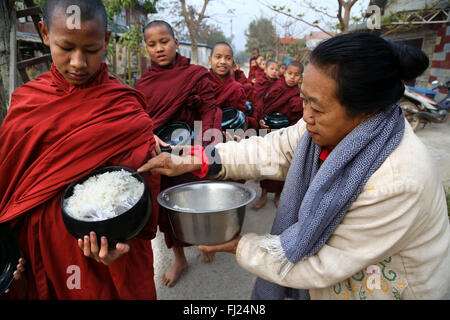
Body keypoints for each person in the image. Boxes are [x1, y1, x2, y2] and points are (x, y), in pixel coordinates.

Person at [138, 33, 450, 300]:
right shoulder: (323, 128)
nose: (306, 116)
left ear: (367, 111)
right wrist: (195, 159)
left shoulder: (397, 181)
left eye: (317, 107)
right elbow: (271, 147)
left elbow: (321, 264)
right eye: (304, 101)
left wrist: (240, 246)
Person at [0, 0, 161, 299]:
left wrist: (123, 238)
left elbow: (141, 183)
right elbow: (9, 185)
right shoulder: (26, 103)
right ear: (45, 33)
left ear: (107, 42)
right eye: (66, 47)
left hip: (104, 250)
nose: (78, 62)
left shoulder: (124, 106)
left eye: (91, 50)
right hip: (42, 247)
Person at [134, 20, 222, 288]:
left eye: (164, 42)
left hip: (191, 152)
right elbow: (140, 119)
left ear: (175, 41)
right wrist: (147, 135)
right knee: (169, 211)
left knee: (199, 202)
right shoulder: (144, 83)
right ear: (146, 48)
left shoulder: (195, 74)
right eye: (152, 44)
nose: (159, 48)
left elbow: (210, 109)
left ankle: (207, 240)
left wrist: (204, 149)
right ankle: (180, 258)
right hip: (163, 154)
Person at [255, 61, 304, 209]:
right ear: (284, 73)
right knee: (265, 162)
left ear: (300, 77)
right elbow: (263, 104)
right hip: (268, 129)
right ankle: (263, 194)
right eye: (290, 73)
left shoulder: (298, 93)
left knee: (282, 164)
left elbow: (298, 117)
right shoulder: (275, 86)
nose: (292, 78)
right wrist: (261, 120)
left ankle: (278, 195)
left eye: (296, 75)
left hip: (285, 133)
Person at [208, 42, 259, 132]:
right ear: (210, 59)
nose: (223, 61)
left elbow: (239, 117)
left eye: (228, 58)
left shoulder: (237, 88)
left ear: (232, 62)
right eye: (218, 57)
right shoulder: (201, 83)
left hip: (231, 136)